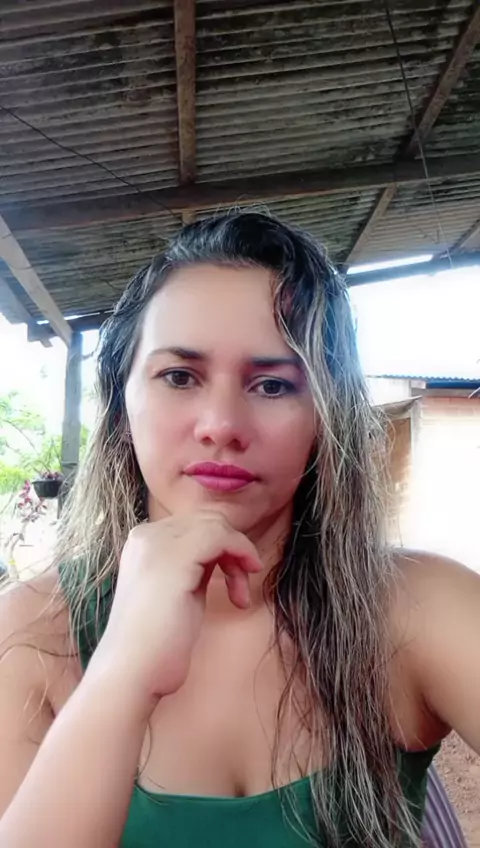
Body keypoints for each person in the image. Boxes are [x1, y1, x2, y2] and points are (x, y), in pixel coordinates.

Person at [0, 212, 478, 848]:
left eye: (273, 385)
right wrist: (121, 672)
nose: (222, 425)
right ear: (120, 403)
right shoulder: (29, 635)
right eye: (179, 376)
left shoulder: (416, 606)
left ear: (326, 418)